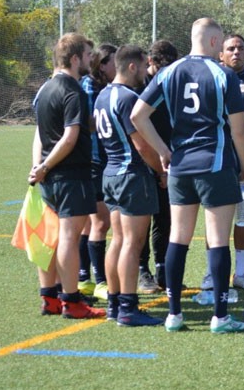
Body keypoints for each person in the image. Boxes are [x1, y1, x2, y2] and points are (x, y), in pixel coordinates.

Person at [132, 17, 244, 333]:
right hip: (213, 165)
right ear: (214, 42)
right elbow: (239, 131)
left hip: (180, 167)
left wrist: (162, 150)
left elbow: (137, 116)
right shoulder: (223, 74)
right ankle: (221, 317)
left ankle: (174, 315)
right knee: (217, 240)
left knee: (178, 238)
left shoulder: (168, 72)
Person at [28, 32, 105, 319]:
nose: (90, 60)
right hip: (70, 174)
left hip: (48, 178)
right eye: (87, 55)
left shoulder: (45, 89)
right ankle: (71, 302)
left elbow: (40, 132)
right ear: (74, 59)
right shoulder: (72, 90)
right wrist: (46, 166)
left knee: (48, 238)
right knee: (69, 238)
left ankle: (49, 298)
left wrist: (38, 167)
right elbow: (70, 137)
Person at [94, 44, 164, 326]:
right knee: (133, 244)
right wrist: (161, 170)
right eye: (144, 66)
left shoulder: (102, 95)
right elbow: (143, 146)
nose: (147, 72)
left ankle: (114, 303)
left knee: (119, 240)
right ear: (132, 66)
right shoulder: (127, 98)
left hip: (110, 173)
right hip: (131, 175)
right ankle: (128, 307)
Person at [199, 33, 244, 291]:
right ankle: (210, 274)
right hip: (219, 156)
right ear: (221, 54)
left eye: (240, 48)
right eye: (230, 48)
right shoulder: (210, 78)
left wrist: (243, 119)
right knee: (216, 218)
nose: (236, 52)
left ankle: (240, 273)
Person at [138, 40, 179, 292]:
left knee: (165, 217)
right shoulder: (139, 88)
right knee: (142, 220)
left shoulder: (173, 84)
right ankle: (143, 272)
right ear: (149, 63)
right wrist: (156, 166)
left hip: (168, 160)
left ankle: (163, 269)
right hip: (144, 162)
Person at [78, 43, 117, 302]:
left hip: (98, 162)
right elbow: (90, 124)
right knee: (101, 222)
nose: (117, 66)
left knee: (90, 223)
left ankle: (84, 278)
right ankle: (100, 280)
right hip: (94, 161)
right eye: (113, 61)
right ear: (102, 65)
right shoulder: (90, 87)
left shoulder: (105, 87)